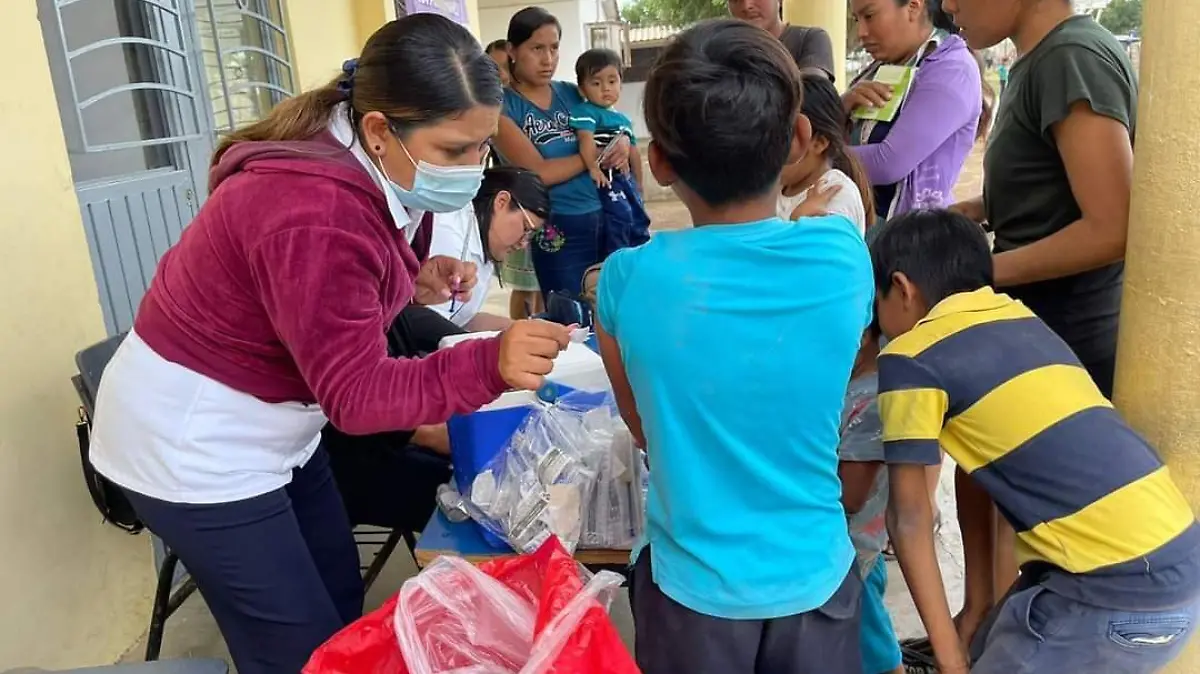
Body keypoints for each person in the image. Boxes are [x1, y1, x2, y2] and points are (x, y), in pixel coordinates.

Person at [85, 15, 573, 674]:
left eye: (483, 149)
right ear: (379, 130)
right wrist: (488, 363)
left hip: (280, 424)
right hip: (196, 446)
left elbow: (324, 291)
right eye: (456, 149)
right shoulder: (313, 208)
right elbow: (357, 395)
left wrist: (404, 281)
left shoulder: (362, 159)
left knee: (340, 600)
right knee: (296, 651)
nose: (473, 169)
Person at [597, 19, 873, 674]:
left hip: (692, 597)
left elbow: (643, 426)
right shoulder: (841, 255)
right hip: (815, 581)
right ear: (798, 138)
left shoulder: (626, 279)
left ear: (659, 162)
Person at [870, 209, 1200, 674]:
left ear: (902, 289)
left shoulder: (911, 357)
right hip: (1176, 568)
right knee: (995, 637)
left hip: (1108, 596)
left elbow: (908, 519)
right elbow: (978, 465)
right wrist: (975, 610)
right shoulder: (1021, 319)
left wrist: (950, 660)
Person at [945, 0, 1136, 400]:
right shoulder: (1048, 55)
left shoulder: (1070, 57)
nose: (947, 5)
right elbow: (1056, 182)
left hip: (1066, 350)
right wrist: (980, 209)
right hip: (1039, 338)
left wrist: (980, 272)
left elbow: (1112, 229)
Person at [495, 6, 630, 300]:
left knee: (613, 304)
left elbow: (615, 128)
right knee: (569, 312)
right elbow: (538, 174)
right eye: (537, 48)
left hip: (604, 214)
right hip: (557, 226)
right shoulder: (503, 107)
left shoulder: (572, 93)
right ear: (512, 50)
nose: (548, 59)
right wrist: (594, 155)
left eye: (554, 48)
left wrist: (622, 142)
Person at [843, 0, 983, 222]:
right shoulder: (882, 66)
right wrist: (841, 107)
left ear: (913, 6)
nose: (861, 32)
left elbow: (888, 163)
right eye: (856, 19)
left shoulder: (952, 69)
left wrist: (817, 156)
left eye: (869, 16)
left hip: (908, 243)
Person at [838, 324, 903, 674]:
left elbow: (851, 496)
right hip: (850, 553)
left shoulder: (871, 401)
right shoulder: (853, 385)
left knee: (878, 656)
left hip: (856, 558)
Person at [428, 166, 550, 330]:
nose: (524, 243)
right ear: (502, 202)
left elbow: (461, 319)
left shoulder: (485, 238)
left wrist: (524, 329)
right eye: (526, 228)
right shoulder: (450, 238)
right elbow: (429, 324)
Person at [569, 48, 651, 256]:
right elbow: (585, 140)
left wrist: (639, 183)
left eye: (612, 81)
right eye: (596, 83)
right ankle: (617, 256)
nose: (605, 89)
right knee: (620, 215)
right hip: (606, 179)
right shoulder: (585, 112)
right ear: (582, 89)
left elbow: (633, 153)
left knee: (639, 215)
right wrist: (593, 168)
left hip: (624, 179)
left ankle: (638, 250)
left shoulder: (623, 120)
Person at [780, 72, 875, 232]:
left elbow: (823, 255)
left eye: (780, 139)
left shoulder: (835, 196)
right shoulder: (776, 188)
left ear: (819, 143)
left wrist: (797, 224)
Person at [727, 0, 836, 81]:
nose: (746, 6)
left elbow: (814, 95)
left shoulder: (808, 39)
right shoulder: (723, 50)